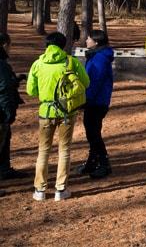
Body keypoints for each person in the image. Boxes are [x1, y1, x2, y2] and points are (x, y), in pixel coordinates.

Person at [27, 32, 90, 201]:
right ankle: (60, 190)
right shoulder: (71, 62)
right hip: (67, 112)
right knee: (64, 150)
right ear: (63, 46)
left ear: (47, 45)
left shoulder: (38, 64)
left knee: (43, 150)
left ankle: (39, 190)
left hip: (45, 112)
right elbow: (86, 82)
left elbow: (30, 91)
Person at [78, 30, 114, 179]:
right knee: (92, 132)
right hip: (95, 100)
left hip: (96, 102)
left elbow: (95, 82)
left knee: (93, 133)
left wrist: (85, 100)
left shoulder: (100, 58)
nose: (86, 40)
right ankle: (92, 162)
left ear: (96, 42)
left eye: (89, 38)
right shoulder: (96, 55)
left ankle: (104, 164)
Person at [0, 32, 26, 180]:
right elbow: (4, 90)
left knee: (5, 141)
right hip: (1, 112)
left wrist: (16, 80)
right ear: (4, 45)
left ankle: (4, 169)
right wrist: (8, 113)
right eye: (10, 45)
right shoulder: (2, 65)